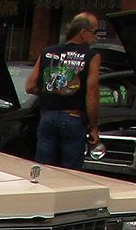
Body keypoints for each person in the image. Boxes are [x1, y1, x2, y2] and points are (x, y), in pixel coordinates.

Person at [26, 13, 101, 169]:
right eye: (95, 32)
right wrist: (94, 127)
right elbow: (92, 94)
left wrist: (53, 90)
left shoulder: (47, 52)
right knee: (71, 171)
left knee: (43, 168)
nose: (97, 37)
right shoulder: (92, 56)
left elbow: (30, 86)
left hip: (47, 116)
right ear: (83, 32)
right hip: (73, 117)